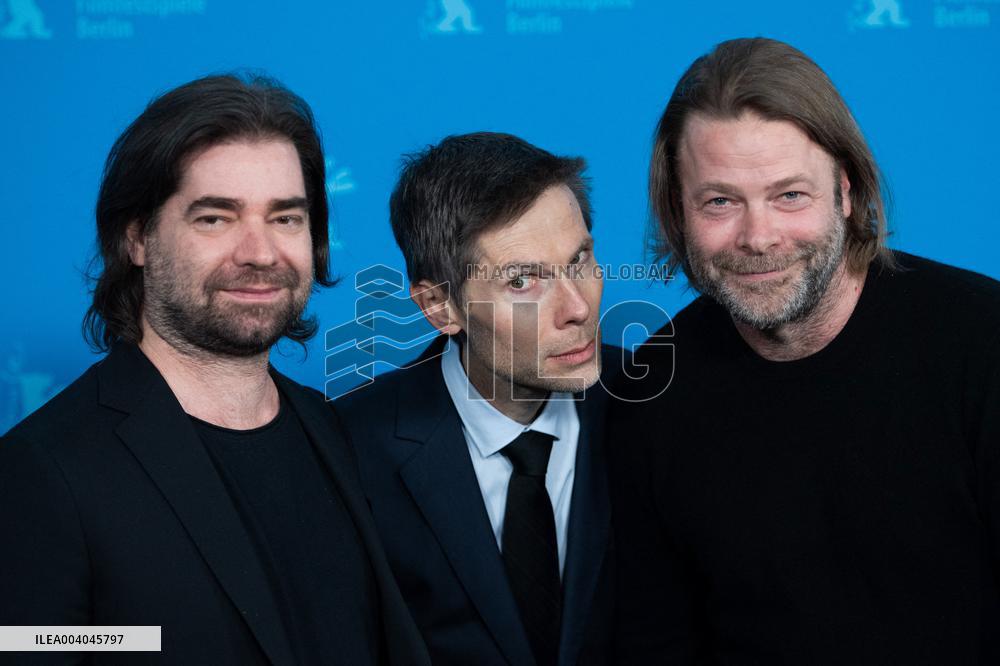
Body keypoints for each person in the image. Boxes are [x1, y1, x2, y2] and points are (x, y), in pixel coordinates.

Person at [0, 74, 430, 666]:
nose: (259, 252)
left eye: (285, 218)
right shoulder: (43, 471)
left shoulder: (339, 434)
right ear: (138, 239)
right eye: (215, 218)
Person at [610, 37, 1000, 665]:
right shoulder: (651, 388)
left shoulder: (983, 341)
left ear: (846, 193)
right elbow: (656, 644)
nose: (758, 237)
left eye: (790, 195)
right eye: (720, 202)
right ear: (677, 214)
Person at [333, 132, 619, 666]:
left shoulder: (662, 412)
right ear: (440, 308)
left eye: (579, 260)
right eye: (523, 282)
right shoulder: (350, 450)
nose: (577, 308)